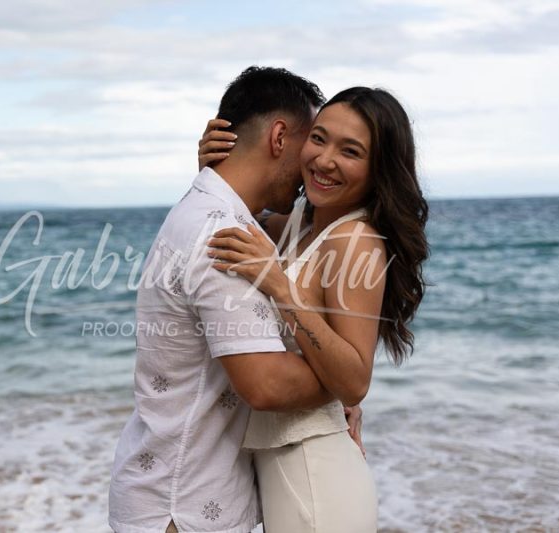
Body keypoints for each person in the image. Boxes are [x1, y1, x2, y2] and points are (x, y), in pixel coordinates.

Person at [108, 66, 365, 533]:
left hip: (174, 494)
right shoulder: (225, 235)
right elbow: (267, 385)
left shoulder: (209, 210)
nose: (313, 163)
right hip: (182, 507)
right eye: (312, 140)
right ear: (279, 137)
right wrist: (342, 378)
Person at [200, 86, 429, 532]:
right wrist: (214, 168)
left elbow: (355, 381)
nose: (325, 160)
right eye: (319, 138)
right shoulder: (297, 224)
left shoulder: (355, 240)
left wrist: (280, 287)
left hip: (316, 475)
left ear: (378, 168)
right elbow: (228, 218)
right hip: (287, 470)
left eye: (350, 151)